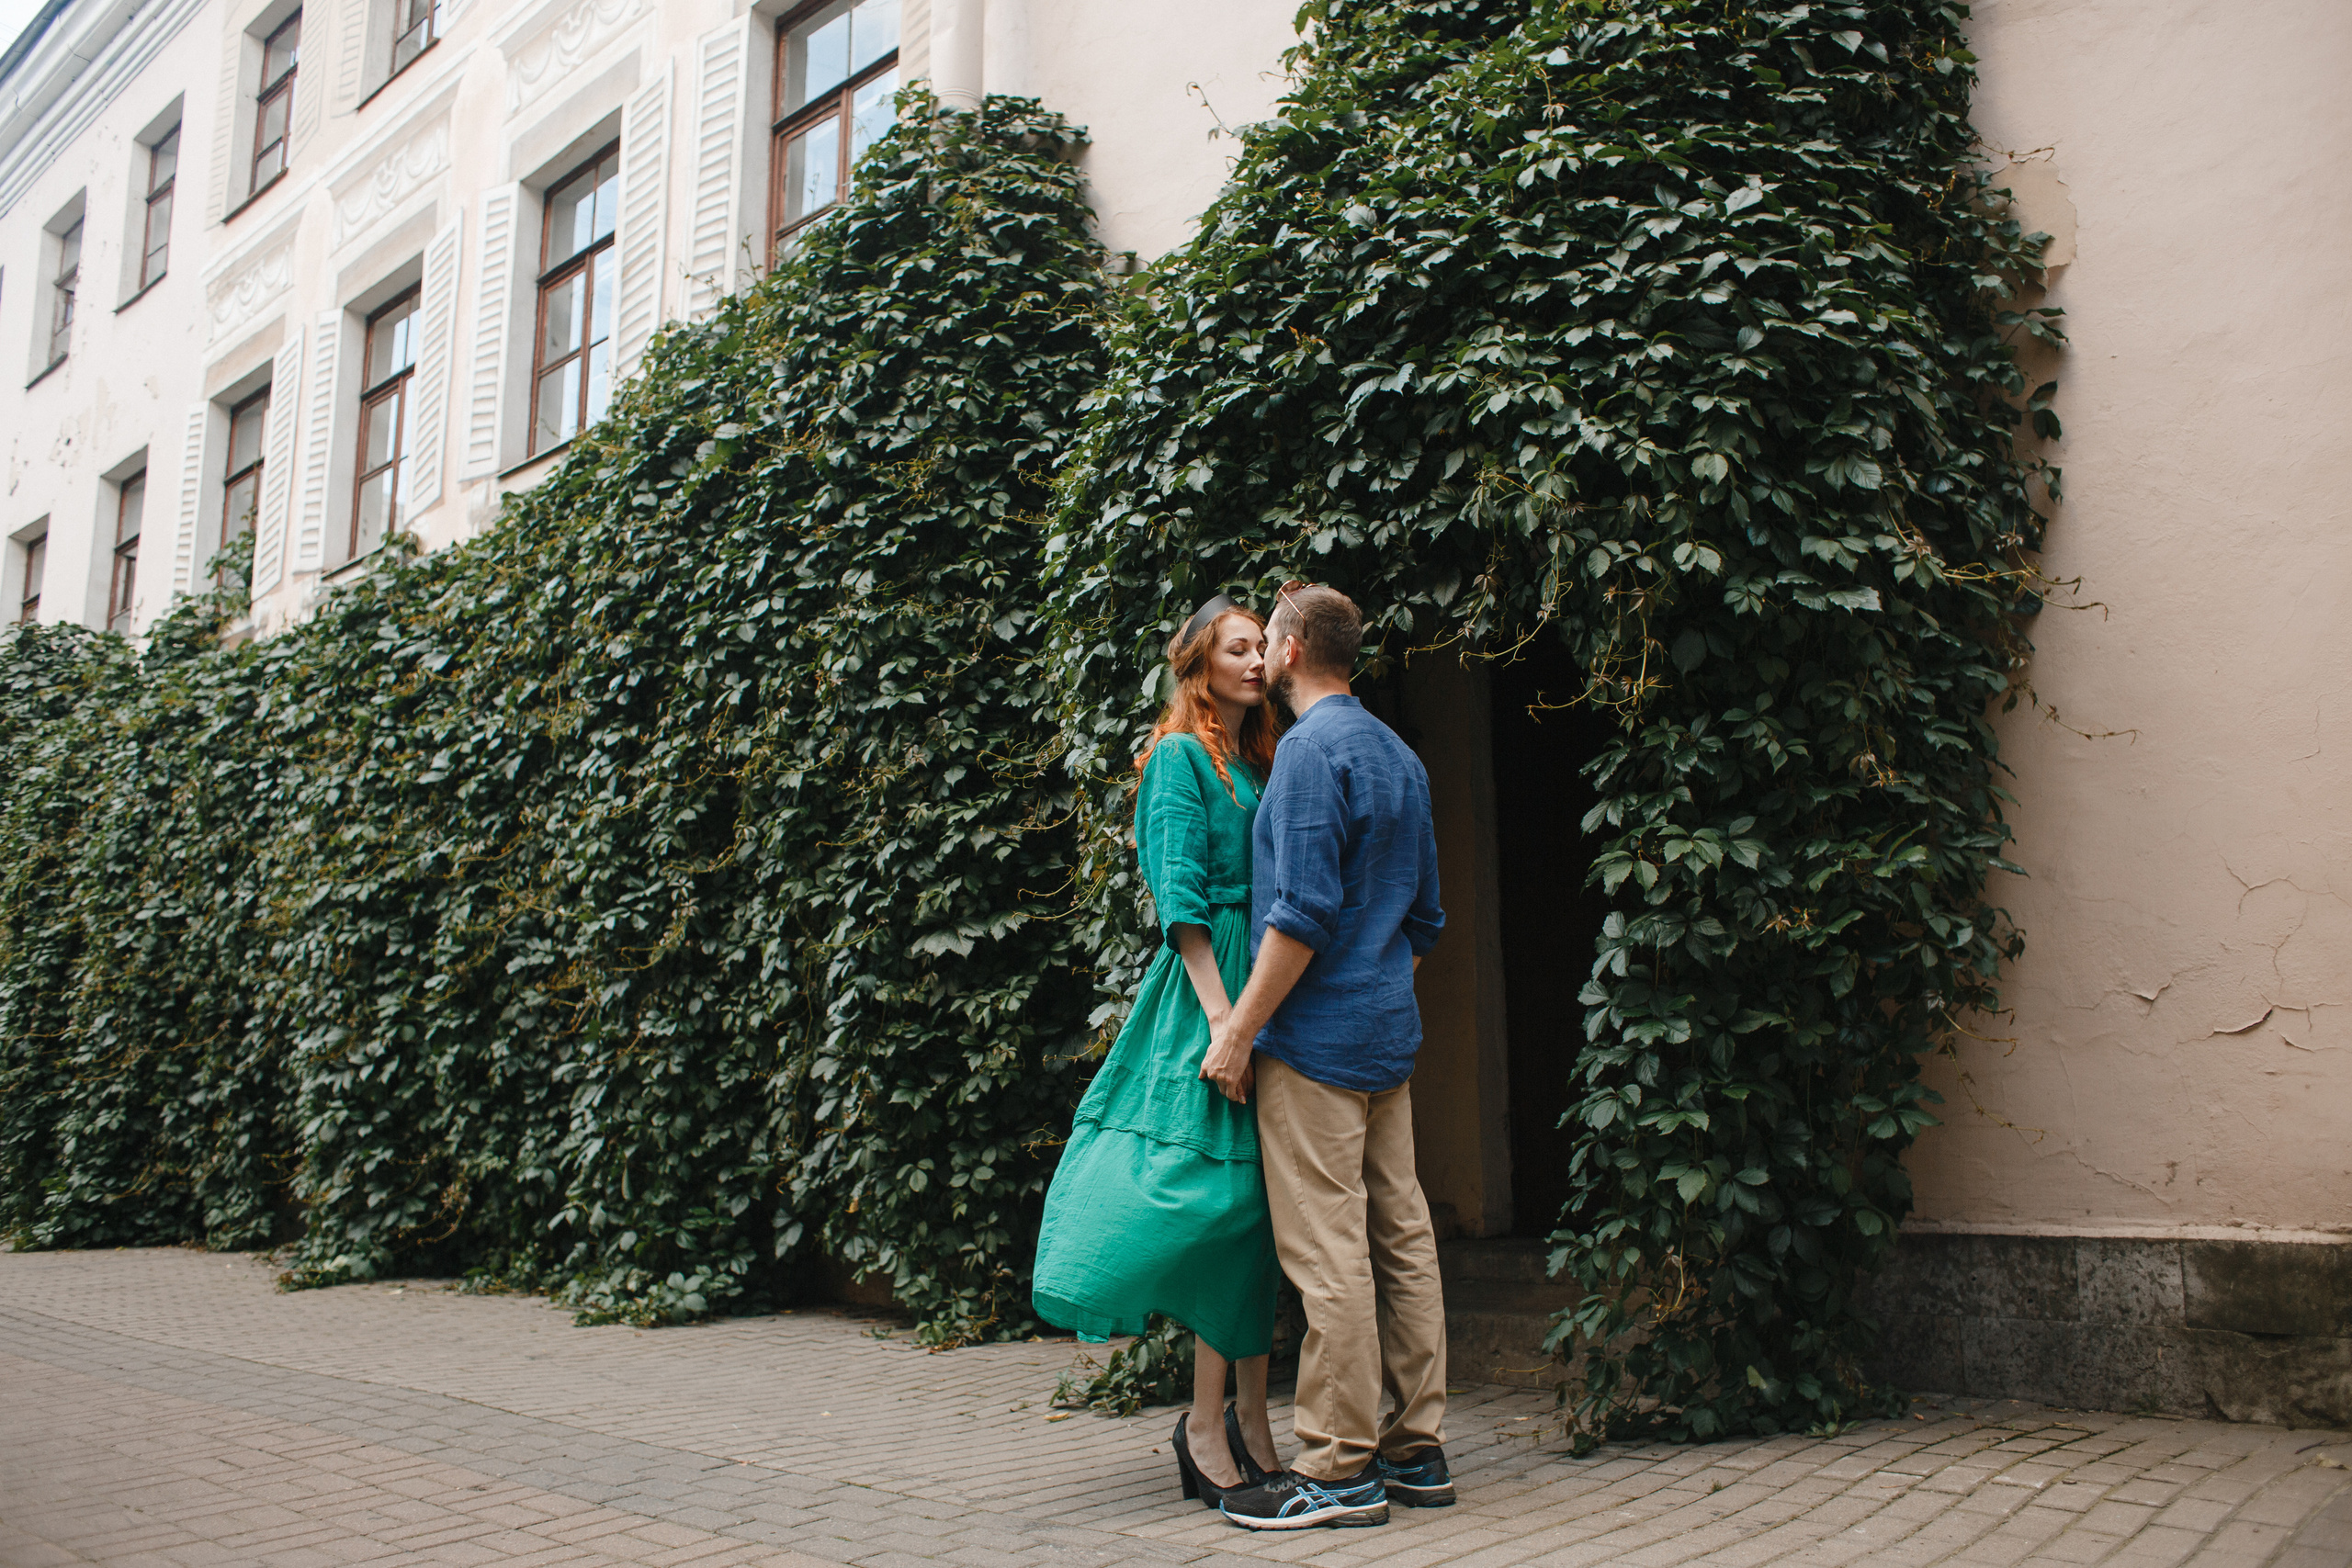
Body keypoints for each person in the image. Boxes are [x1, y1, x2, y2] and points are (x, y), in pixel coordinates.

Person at [1201, 583, 1452, 1532]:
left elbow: (1297, 916)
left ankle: (1340, 1469)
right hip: (1389, 1038)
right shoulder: (1398, 755)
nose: (1259, 654)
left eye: (1267, 638)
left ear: (1297, 648)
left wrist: (1240, 1028)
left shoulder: (1307, 754)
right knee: (1403, 1239)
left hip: (1314, 1045)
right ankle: (1416, 1451)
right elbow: (1422, 918)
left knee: (1330, 1255)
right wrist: (1378, 982)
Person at [1031, 594, 1285, 1506]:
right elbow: (1179, 903)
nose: (1256, 661)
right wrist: (1226, 1024)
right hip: (1205, 1000)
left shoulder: (1255, 763)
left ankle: (1253, 1421)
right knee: (1219, 1202)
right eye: (1236, 648)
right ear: (1197, 665)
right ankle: (1206, 1426)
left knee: (1257, 1212)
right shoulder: (1178, 755)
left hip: (1261, 994)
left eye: (1261, 646)